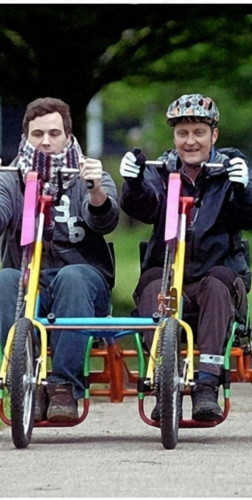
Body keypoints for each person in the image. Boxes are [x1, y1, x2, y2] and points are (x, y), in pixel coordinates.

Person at [119, 93, 252, 422]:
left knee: (217, 285)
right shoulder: (161, 171)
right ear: (174, 137)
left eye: (198, 133)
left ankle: (206, 386)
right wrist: (133, 183)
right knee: (149, 287)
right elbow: (143, 205)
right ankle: (165, 383)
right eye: (183, 133)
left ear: (213, 135)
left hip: (215, 276)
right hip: (167, 275)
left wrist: (243, 187)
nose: (190, 141)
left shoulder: (230, 168)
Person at [0, 97, 120, 422]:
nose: (46, 142)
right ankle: (21, 379)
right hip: (29, 276)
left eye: (54, 133)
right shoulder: (11, 178)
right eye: (38, 134)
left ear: (68, 135)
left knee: (73, 276)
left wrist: (95, 191)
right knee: (5, 279)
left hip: (83, 282)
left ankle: (64, 385)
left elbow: (105, 221)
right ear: (26, 137)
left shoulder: (89, 173)